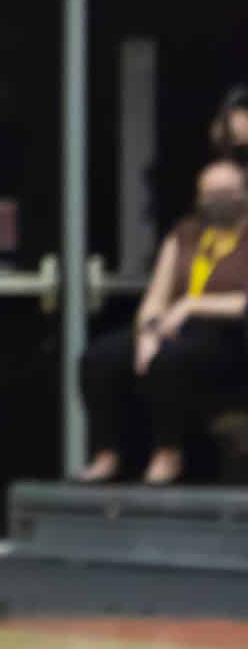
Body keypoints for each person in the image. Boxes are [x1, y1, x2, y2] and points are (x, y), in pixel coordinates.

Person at [82, 156, 248, 486]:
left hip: (231, 336)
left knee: (169, 361)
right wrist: (147, 333)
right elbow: (157, 296)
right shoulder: (184, 234)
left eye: (226, 191)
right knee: (101, 357)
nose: (217, 200)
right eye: (209, 193)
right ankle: (106, 455)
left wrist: (191, 304)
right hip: (175, 331)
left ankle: (167, 454)